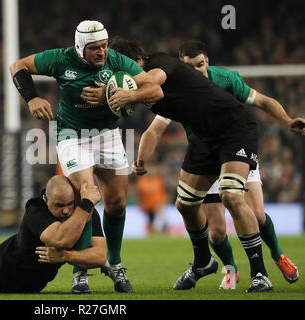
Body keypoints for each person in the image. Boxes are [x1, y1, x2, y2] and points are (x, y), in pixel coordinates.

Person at [102, 37, 305, 293]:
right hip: (203, 139)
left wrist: (286, 121)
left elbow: (154, 89)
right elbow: (153, 130)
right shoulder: (146, 77)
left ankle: (260, 274)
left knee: (232, 196)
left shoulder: (160, 65)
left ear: (135, 61)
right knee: (184, 204)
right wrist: (141, 157)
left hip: (234, 130)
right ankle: (203, 261)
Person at [9, 20, 162, 294]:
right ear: (80, 48)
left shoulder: (117, 61)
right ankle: (81, 272)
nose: (102, 52)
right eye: (94, 48)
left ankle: (114, 264)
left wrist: (126, 96)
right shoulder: (59, 58)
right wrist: (31, 98)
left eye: (104, 46)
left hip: (108, 134)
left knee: (117, 204)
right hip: (72, 134)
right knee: (85, 195)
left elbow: (155, 89)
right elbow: (17, 65)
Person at [135, 163, 167, 234]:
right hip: (148, 207)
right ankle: (152, 233)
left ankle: (163, 232)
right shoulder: (141, 181)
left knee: (161, 219)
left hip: (157, 206)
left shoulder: (157, 180)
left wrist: (161, 204)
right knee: (150, 223)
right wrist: (141, 205)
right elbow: (139, 195)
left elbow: (163, 194)